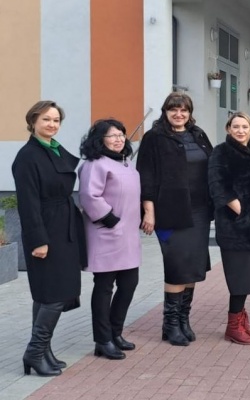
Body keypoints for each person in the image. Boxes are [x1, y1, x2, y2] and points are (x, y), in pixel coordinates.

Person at [12, 101, 86, 376]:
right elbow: (28, 203)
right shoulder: (28, 156)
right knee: (54, 293)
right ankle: (34, 352)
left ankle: (43, 350)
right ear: (33, 121)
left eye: (56, 120)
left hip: (63, 228)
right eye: (46, 119)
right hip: (46, 230)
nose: (52, 124)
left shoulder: (53, 149)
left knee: (46, 294)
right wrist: (38, 240)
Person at [137, 92, 213, 346]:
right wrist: (148, 211)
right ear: (165, 112)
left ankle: (183, 320)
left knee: (192, 266)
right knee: (176, 266)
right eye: (173, 110)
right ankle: (170, 325)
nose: (179, 114)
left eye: (183, 110)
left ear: (189, 113)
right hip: (169, 213)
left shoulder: (198, 135)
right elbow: (145, 176)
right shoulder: (154, 138)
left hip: (199, 212)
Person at [208, 112, 250, 345]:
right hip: (235, 228)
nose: (240, 131)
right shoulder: (221, 152)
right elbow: (219, 187)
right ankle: (233, 327)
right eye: (236, 126)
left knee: (249, 279)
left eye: (245, 126)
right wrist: (242, 211)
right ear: (228, 128)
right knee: (239, 280)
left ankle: (242, 320)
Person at [78, 119, 141, 359]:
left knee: (129, 284)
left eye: (121, 135)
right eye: (112, 135)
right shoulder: (95, 164)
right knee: (104, 287)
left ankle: (116, 333)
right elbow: (89, 195)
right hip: (106, 234)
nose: (119, 139)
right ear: (99, 139)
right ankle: (103, 340)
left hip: (128, 236)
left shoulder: (126, 163)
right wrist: (109, 219)